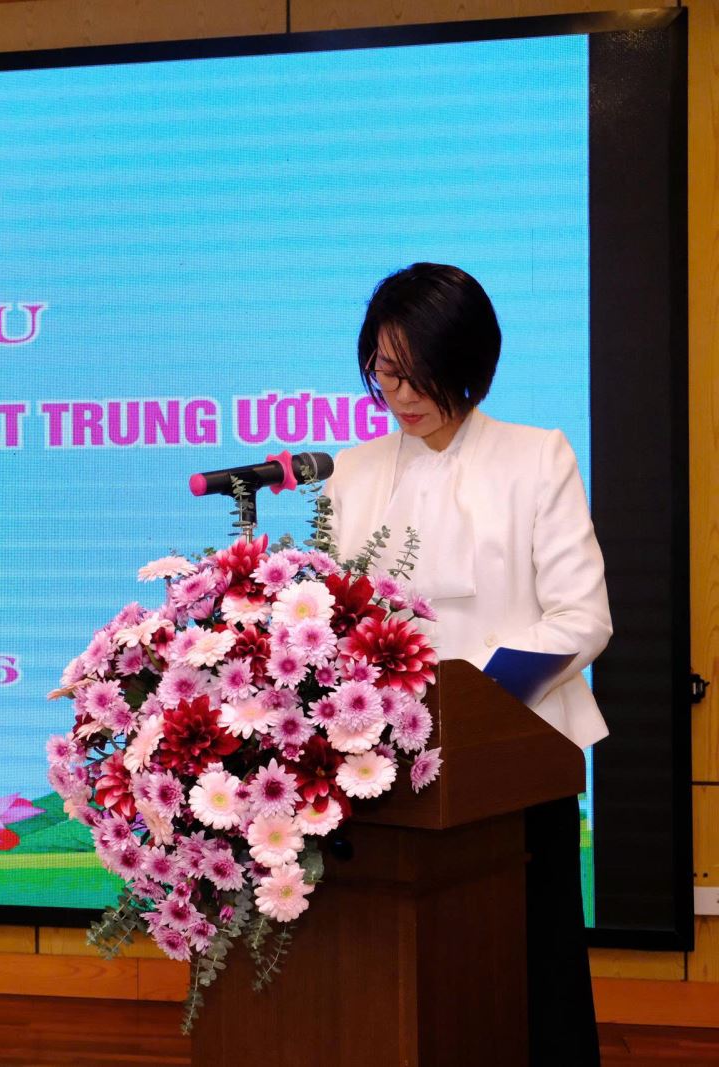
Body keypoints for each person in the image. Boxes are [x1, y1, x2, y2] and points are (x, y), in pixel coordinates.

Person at [325, 262, 611, 1066]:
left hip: (513, 758)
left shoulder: (537, 457)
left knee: (528, 973)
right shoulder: (351, 471)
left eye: (421, 373)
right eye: (387, 371)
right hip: (388, 770)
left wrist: (464, 704)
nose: (402, 394)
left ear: (471, 363)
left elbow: (582, 618)